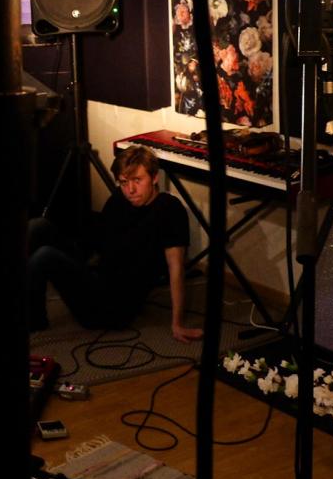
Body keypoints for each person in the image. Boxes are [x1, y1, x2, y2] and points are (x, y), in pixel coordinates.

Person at [27, 145, 203, 342]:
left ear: (154, 178)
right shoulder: (119, 199)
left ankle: (33, 322)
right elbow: (96, 243)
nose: (130, 190)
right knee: (38, 226)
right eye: (124, 182)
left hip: (113, 307)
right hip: (97, 277)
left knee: (44, 256)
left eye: (137, 180)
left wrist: (177, 324)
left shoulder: (169, 210)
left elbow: (176, 268)